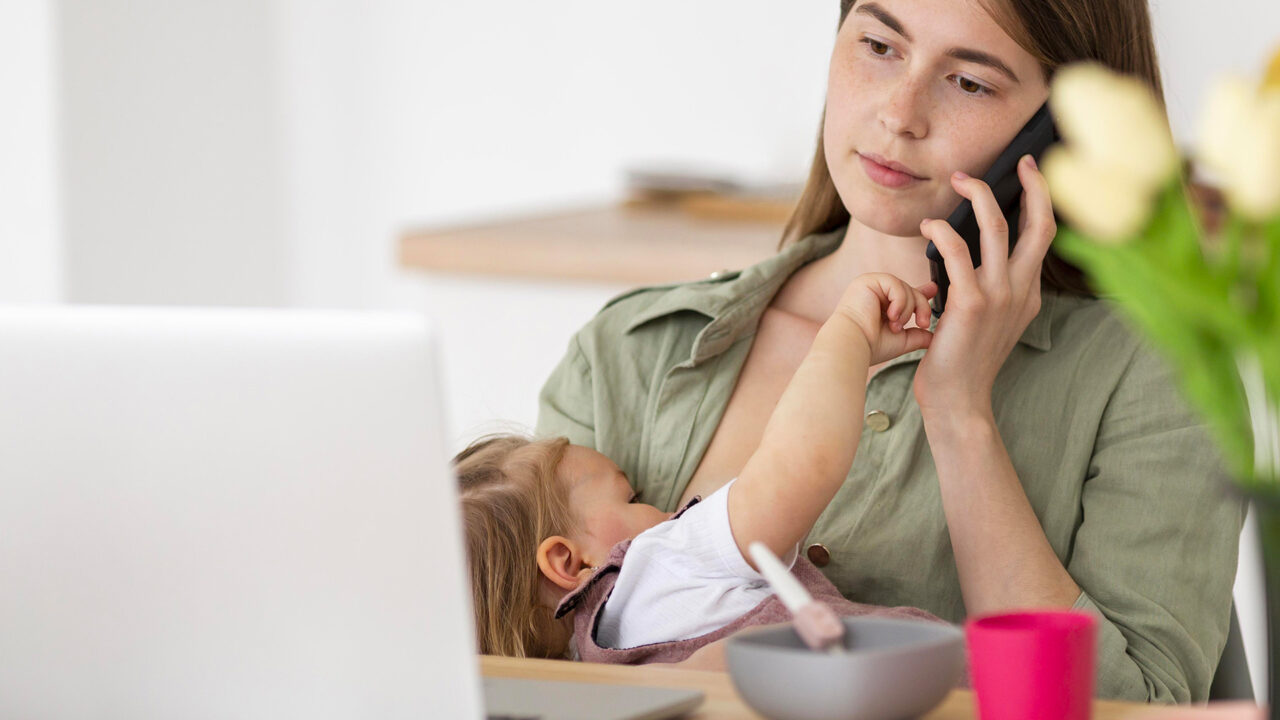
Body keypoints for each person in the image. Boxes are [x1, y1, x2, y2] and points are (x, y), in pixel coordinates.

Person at [536, 0, 1246, 704]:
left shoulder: (1160, 374)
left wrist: (961, 415)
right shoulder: (627, 353)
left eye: (969, 82)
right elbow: (519, 669)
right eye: (879, 46)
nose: (900, 113)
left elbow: (1136, 707)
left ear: (1064, 131)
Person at [456, 273, 942, 666]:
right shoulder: (658, 563)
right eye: (631, 498)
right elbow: (801, 466)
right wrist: (849, 335)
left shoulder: (595, 664)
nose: (664, 508)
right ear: (571, 564)